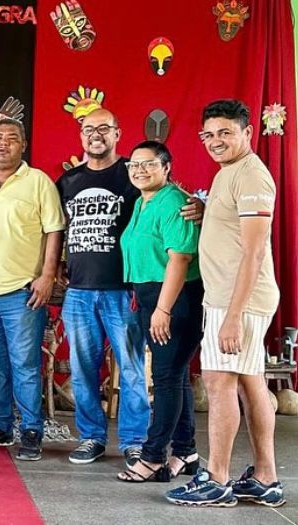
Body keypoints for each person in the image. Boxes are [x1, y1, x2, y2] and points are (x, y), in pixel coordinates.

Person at [56, 108, 203, 467]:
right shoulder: (68, 181)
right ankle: (91, 437)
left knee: (133, 368)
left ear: (117, 133)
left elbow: (171, 197)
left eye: (104, 128)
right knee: (83, 370)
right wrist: (55, 266)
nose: (96, 134)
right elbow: (58, 228)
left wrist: (200, 205)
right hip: (79, 290)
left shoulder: (132, 173)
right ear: (80, 134)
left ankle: (135, 441)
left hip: (124, 291)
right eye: (88, 128)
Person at [166, 100, 284, 508]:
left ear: (247, 132)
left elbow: (254, 251)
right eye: (209, 134)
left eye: (225, 133)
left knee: (219, 384)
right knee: (251, 383)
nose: (215, 141)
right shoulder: (229, 173)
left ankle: (216, 479)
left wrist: (233, 316)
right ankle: (266, 478)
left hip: (238, 300)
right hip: (230, 297)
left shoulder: (252, 175)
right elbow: (235, 227)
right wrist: (208, 213)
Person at [0, 119, 65, 462]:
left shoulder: (38, 182)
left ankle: (32, 430)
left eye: (11, 139)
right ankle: (0, 426)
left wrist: (47, 275)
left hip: (22, 291)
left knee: (24, 364)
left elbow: (54, 230)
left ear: (23, 145)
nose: (3, 144)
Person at [116, 141, 203, 483]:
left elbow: (180, 258)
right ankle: (186, 451)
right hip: (149, 294)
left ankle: (153, 458)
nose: (139, 170)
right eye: (134, 165)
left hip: (174, 298)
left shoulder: (175, 202)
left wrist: (163, 309)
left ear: (166, 167)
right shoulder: (143, 202)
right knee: (176, 376)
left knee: (165, 379)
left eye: (149, 164)